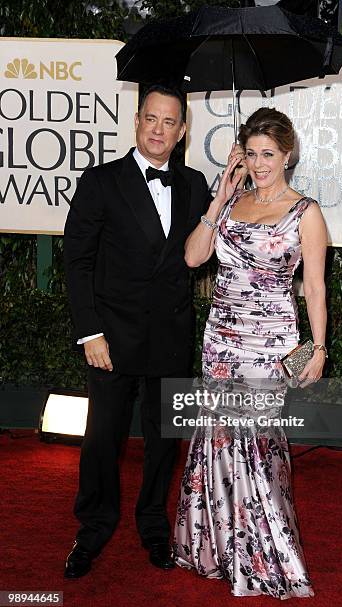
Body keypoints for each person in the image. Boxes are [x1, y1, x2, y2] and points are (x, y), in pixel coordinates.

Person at [173, 107, 327, 598]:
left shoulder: (307, 212)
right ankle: (217, 549)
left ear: (288, 155)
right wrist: (218, 197)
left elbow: (316, 290)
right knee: (217, 441)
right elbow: (194, 257)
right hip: (221, 338)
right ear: (240, 155)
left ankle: (266, 556)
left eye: (269, 154)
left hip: (271, 345)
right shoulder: (231, 202)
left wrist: (318, 347)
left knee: (257, 448)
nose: (260, 164)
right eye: (253, 154)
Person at [63, 84, 210, 578]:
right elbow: (77, 261)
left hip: (170, 337)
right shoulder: (102, 180)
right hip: (112, 336)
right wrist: (90, 332)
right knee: (101, 436)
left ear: (182, 131)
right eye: (152, 118)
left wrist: (230, 187)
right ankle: (93, 528)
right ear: (137, 119)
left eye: (170, 122)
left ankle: (153, 525)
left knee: (163, 440)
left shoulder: (195, 185)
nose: (158, 130)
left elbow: (200, 253)